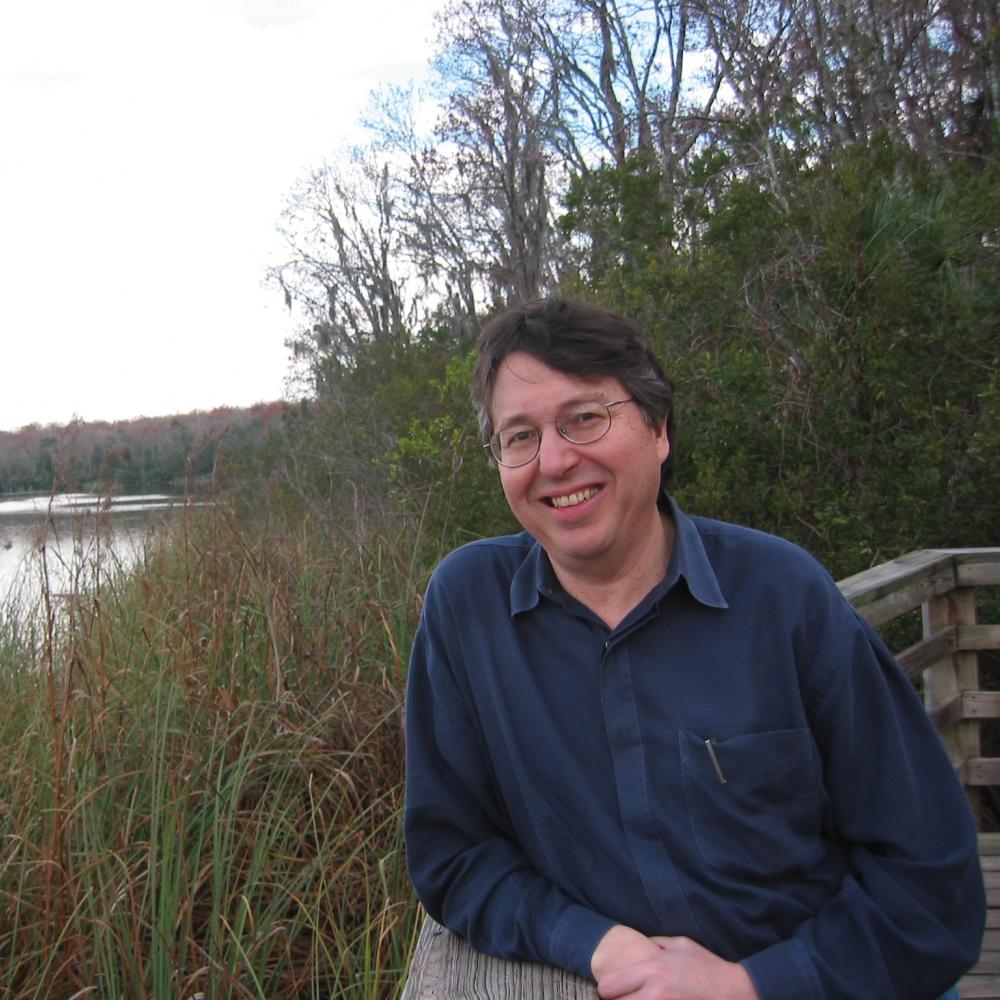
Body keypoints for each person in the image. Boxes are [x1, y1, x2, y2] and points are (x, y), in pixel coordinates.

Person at [403, 297, 984, 999]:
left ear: (658, 428)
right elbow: (454, 853)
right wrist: (594, 942)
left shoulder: (782, 596)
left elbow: (931, 882)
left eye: (584, 418)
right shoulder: (471, 609)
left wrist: (749, 984)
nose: (554, 460)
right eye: (519, 436)